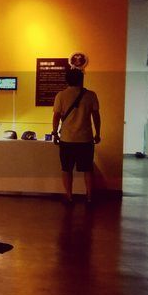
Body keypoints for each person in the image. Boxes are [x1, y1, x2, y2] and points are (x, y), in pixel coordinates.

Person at [51, 67, 101, 204]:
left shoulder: (61, 95)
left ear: (67, 80)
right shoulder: (91, 95)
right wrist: (98, 133)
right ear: (81, 79)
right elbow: (96, 116)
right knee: (87, 169)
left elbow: (56, 117)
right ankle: (89, 197)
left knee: (66, 169)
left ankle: (69, 196)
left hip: (67, 139)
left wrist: (55, 132)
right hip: (85, 139)